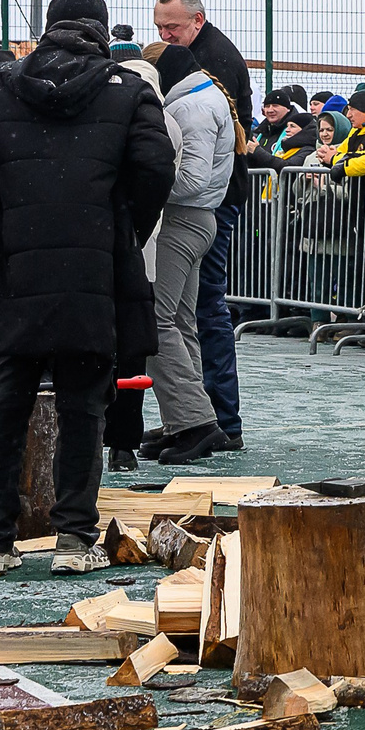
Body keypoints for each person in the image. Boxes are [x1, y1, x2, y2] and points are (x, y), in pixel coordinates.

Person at [0, 0, 172, 576]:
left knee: (6, 402)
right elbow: (155, 168)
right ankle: (73, 538)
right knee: (83, 405)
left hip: (14, 262)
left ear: (47, 27)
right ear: (101, 31)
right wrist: (124, 230)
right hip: (93, 264)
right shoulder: (129, 90)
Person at [152, 0, 252, 452]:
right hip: (209, 208)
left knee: (185, 316)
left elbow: (192, 176)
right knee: (188, 316)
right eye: (159, 27)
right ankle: (197, 417)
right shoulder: (203, 72)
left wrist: (148, 185)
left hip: (199, 210)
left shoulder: (205, 75)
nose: (165, 35)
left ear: (198, 19)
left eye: (171, 27)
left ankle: (207, 419)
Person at [148, 44, 235, 463]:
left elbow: (192, 180)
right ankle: (186, 419)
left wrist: (146, 186)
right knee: (181, 323)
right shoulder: (203, 98)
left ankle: (192, 420)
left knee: (155, 321)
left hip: (181, 220)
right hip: (198, 220)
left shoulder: (190, 107)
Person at [105, 39, 166, 472]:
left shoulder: (104, 110)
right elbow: (156, 174)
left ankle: (103, 439)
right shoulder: (155, 112)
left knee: (92, 351)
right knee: (130, 352)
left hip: (108, 246)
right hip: (135, 251)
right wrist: (135, 230)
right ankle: (123, 443)